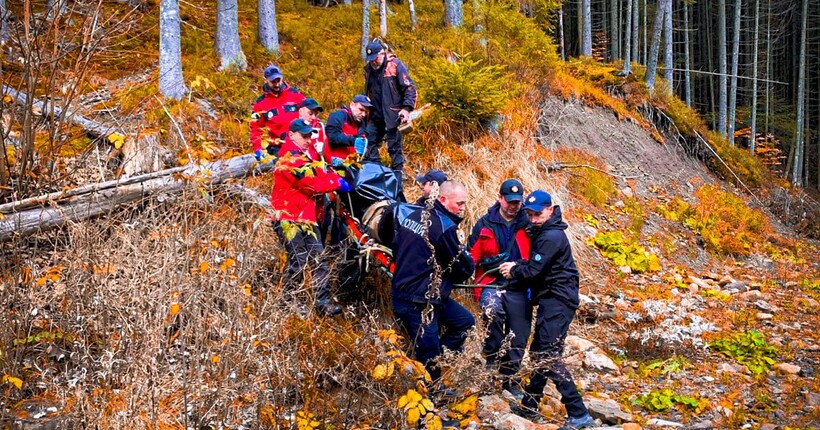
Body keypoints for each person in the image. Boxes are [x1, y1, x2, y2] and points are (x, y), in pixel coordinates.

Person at [499, 190, 595, 429]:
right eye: (529, 214)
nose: (532, 219)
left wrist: (514, 270)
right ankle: (529, 405)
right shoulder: (544, 231)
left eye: (538, 214)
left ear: (550, 210)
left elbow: (534, 271)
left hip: (558, 299)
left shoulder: (551, 236)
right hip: (553, 298)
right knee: (540, 351)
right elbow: (536, 265)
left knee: (548, 355)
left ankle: (578, 413)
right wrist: (520, 264)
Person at [386, 180, 475, 390]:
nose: (462, 208)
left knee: (465, 322)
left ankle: (436, 357)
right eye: (459, 203)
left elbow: (394, 242)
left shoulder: (413, 214)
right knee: (428, 351)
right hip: (416, 300)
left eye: (464, 203)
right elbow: (463, 267)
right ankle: (433, 393)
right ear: (443, 200)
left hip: (425, 294)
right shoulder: (445, 227)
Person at [271, 119, 354, 317]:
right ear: (291, 135)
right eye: (304, 136)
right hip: (289, 218)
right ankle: (289, 301)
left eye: (310, 136)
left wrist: (336, 177)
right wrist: (336, 182)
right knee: (298, 261)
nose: (308, 140)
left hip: (306, 218)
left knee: (319, 260)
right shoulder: (289, 158)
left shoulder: (304, 156)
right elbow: (312, 185)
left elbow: (320, 176)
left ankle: (321, 303)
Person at [466, 179, 531, 400]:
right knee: (492, 311)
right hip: (490, 282)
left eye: (517, 202)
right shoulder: (484, 223)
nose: (514, 206)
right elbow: (470, 256)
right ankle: (491, 358)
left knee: (519, 333)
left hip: (519, 286)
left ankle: (509, 378)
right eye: (510, 201)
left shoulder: (529, 224)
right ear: (499, 198)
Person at [363, 40, 417, 197]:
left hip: (393, 114)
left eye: (375, 58)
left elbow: (409, 88)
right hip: (375, 114)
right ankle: (378, 175)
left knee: (395, 151)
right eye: (370, 59)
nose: (373, 61)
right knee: (369, 141)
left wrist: (406, 109)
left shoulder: (395, 65)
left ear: (382, 53)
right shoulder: (368, 69)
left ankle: (397, 187)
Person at [250, 65, 306, 161]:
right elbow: (255, 128)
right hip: (278, 148)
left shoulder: (295, 94)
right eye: (273, 82)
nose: (276, 84)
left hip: (300, 142)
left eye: (278, 80)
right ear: (266, 80)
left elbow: (308, 114)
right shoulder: (259, 104)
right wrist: (258, 148)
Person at [326, 94, 372, 162]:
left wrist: (365, 151)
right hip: (335, 161)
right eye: (361, 110)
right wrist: (353, 141)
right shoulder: (338, 116)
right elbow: (332, 137)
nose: (363, 115)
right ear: (352, 105)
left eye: (366, 112)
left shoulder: (361, 123)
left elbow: (363, 142)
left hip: (353, 163)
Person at [297, 97, 330, 163]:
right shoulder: (293, 129)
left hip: (318, 167)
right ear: (300, 112)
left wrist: (323, 151)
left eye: (316, 114)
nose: (313, 117)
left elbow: (328, 159)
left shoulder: (320, 129)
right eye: (310, 114)